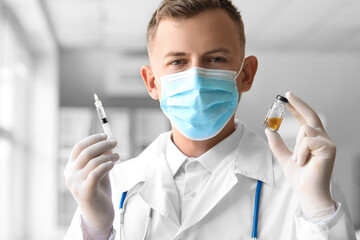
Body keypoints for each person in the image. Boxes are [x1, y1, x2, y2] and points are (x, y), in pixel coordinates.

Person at [64, 0, 356, 239]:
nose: (196, 78)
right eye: (178, 62)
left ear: (246, 74)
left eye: (215, 59)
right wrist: (95, 228)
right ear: (152, 83)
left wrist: (319, 211)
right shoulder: (114, 186)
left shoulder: (303, 187)